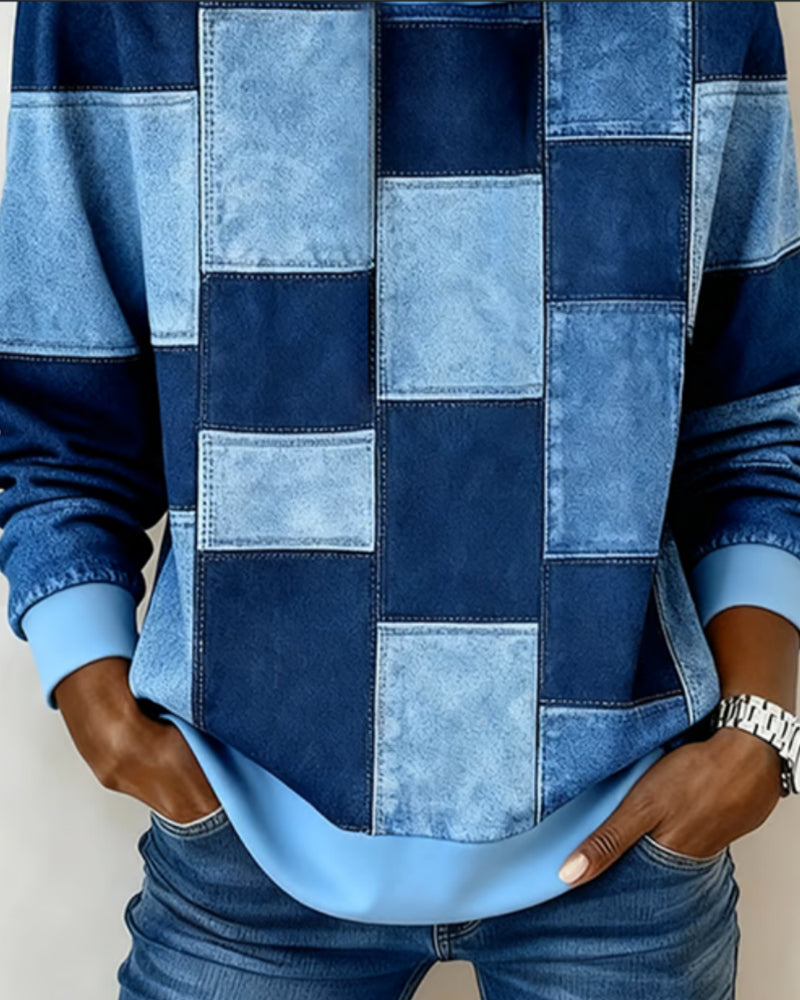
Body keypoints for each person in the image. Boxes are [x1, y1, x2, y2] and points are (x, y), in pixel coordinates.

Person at [0, 1, 799, 997]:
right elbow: (57, 399)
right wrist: (96, 695)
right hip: (243, 848)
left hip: (626, 849)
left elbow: (755, 416)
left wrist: (760, 731)